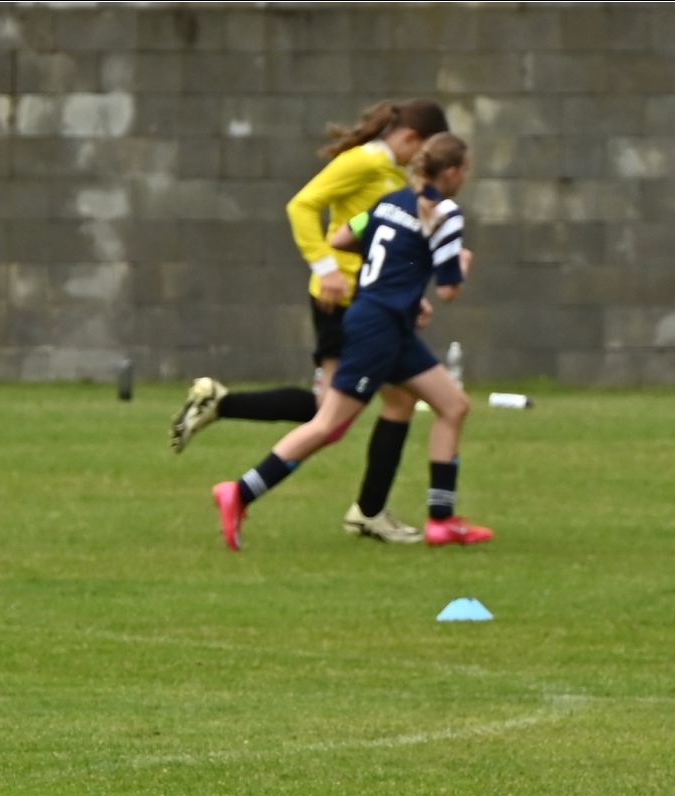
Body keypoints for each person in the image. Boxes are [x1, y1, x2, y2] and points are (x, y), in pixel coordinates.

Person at [171, 99, 450, 543]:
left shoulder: (392, 174)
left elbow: (383, 240)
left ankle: (370, 510)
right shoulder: (364, 162)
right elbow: (302, 205)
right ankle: (231, 431)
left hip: (373, 301)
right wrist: (325, 267)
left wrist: (410, 298)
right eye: (426, 151)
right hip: (347, 302)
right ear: (413, 139)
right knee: (332, 417)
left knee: (392, 403)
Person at [213, 135, 490, 551]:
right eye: (465, 170)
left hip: (383, 320)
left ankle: (441, 519)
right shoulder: (446, 213)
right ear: (450, 172)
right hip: (379, 328)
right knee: (327, 424)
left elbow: (342, 237)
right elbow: (449, 289)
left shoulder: (390, 201)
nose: (465, 178)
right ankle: (239, 492)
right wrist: (460, 263)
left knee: (453, 405)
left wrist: (401, 281)